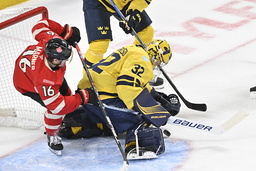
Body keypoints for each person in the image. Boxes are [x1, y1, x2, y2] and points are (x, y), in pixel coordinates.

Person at [71, 39, 181, 159]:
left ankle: (78, 121)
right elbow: (127, 87)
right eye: (159, 62)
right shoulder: (143, 60)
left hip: (89, 96)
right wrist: (154, 112)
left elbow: (137, 82)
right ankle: (138, 145)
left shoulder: (134, 50)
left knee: (125, 112)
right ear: (156, 55)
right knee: (142, 115)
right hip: (101, 98)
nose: (157, 65)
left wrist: (160, 99)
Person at [13, 18, 98, 155]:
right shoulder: (44, 79)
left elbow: (40, 25)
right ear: (55, 60)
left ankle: (66, 118)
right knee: (57, 111)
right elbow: (56, 106)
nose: (66, 62)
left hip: (37, 71)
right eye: (64, 60)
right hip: (27, 84)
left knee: (68, 97)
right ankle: (52, 136)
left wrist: (65, 32)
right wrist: (83, 97)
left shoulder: (50, 40)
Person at [82, 0, 164, 89]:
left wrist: (134, 11)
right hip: (98, 2)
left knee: (146, 33)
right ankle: (89, 83)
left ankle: (136, 71)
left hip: (123, 2)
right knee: (99, 45)